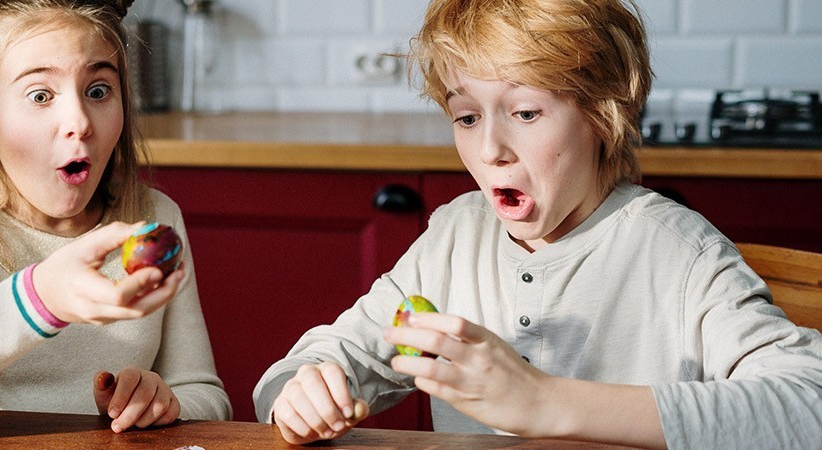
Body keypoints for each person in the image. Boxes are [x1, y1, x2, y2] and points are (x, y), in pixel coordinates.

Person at [253, 0, 822, 448]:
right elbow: (308, 367)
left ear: (602, 113)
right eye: (466, 117)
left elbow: (809, 405)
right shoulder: (454, 239)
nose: (490, 149)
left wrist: (544, 402)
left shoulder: (679, 253)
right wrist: (302, 393)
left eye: (526, 112)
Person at [0, 0, 231, 433]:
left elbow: (207, 396)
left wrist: (167, 403)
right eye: (40, 95)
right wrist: (40, 299)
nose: (79, 122)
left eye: (98, 91)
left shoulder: (154, 219)